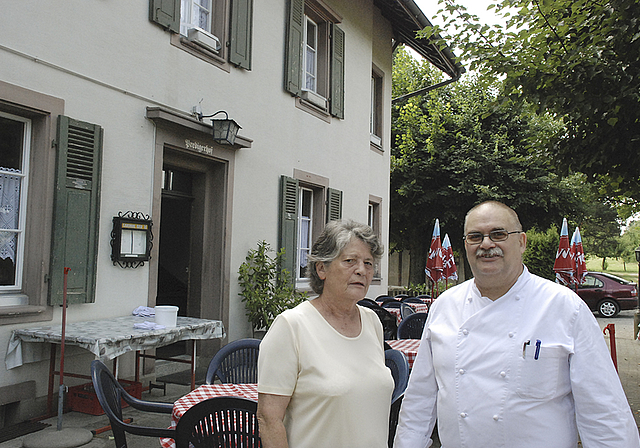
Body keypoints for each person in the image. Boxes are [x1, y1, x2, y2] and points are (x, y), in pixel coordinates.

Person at [394, 201, 640, 448]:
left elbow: (604, 412)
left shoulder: (564, 307)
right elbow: (420, 401)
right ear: (466, 244)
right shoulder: (444, 306)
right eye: (475, 237)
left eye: (499, 234)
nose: (487, 244)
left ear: (521, 242)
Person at [257, 219, 394, 448]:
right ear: (322, 268)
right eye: (350, 261)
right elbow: (269, 419)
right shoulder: (291, 327)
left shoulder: (372, 322)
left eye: (368, 263)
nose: (361, 270)